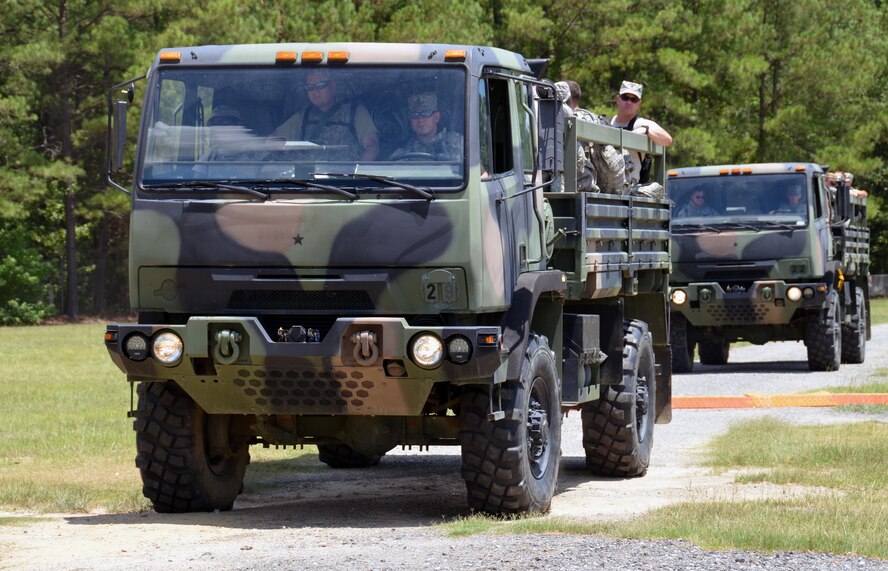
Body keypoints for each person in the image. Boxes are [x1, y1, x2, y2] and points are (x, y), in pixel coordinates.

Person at [274, 70, 379, 161]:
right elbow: (272, 140)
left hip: (345, 180)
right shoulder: (303, 116)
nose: (315, 91)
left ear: (332, 86)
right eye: (310, 87)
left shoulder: (355, 112)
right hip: (305, 181)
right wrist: (288, 155)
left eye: (320, 85)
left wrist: (355, 177)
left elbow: (372, 147)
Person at [610, 81, 673, 184]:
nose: (629, 102)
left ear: (639, 103)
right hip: (604, 182)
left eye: (634, 99)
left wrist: (646, 130)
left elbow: (667, 140)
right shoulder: (606, 122)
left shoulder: (639, 123)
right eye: (625, 97)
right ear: (618, 99)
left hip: (629, 186)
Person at [390, 93, 462, 161]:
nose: (420, 120)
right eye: (415, 114)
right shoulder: (403, 153)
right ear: (410, 119)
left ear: (437, 117)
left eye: (426, 113)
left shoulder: (457, 142)